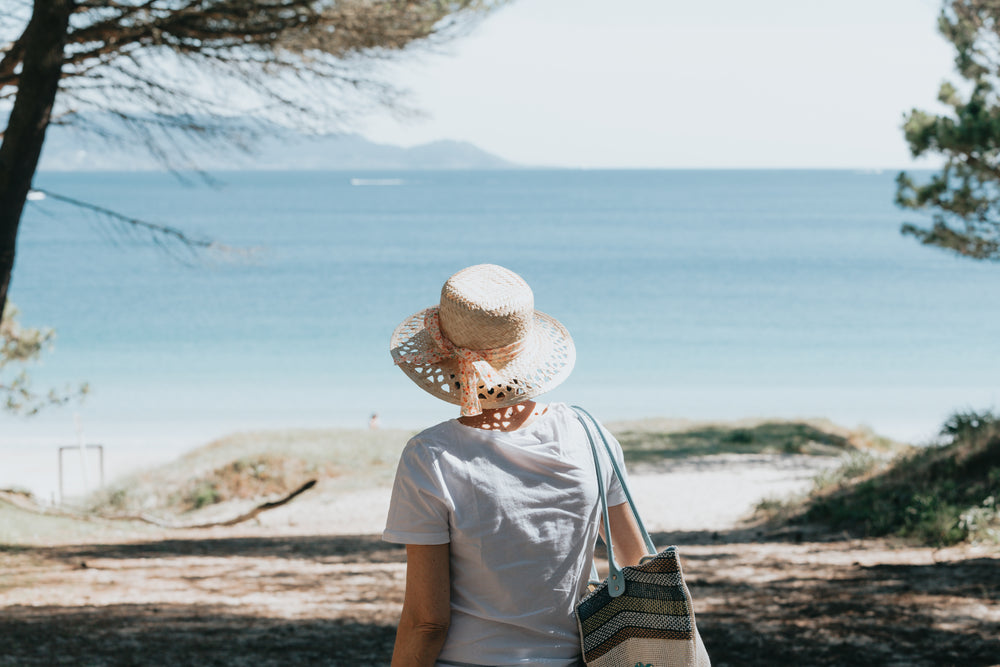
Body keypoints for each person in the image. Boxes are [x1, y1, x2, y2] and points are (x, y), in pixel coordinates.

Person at [384, 264, 648, 667]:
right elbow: (635, 559)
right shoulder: (590, 435)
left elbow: (427, 622)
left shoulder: (430, 456)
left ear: (445, 357)